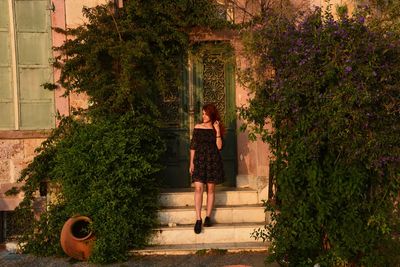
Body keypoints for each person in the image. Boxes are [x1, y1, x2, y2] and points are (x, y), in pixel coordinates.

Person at [189, 103, 225, 234]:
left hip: (212, 161)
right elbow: (193, 146)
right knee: (198, 188)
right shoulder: (198, 127)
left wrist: (218, 131)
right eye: (202, 113)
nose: (203, 116)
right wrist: (191, 163)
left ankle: (208, 217)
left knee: (210, 189)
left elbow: (219, 147)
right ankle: (198, 219)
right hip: (199, 161)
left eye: (206, 113)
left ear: (211, 114)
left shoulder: (216, 128)